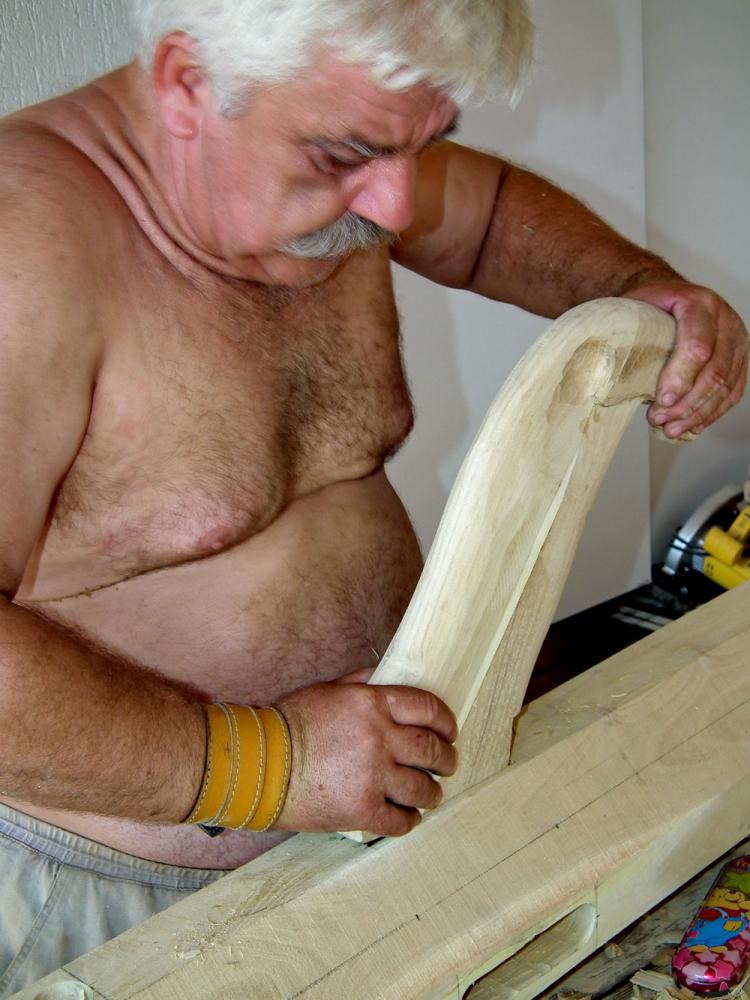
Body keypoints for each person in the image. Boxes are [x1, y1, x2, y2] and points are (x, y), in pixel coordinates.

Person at [0, 0, 746, 992]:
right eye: (342, 155)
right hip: (123, 892)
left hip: (384, 815)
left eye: (425, 141)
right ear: (185, 84)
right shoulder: (24, 253)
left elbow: (480, 218)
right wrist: (270, 767)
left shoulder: (341, 165)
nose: (397, 206)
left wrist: (640, 284)